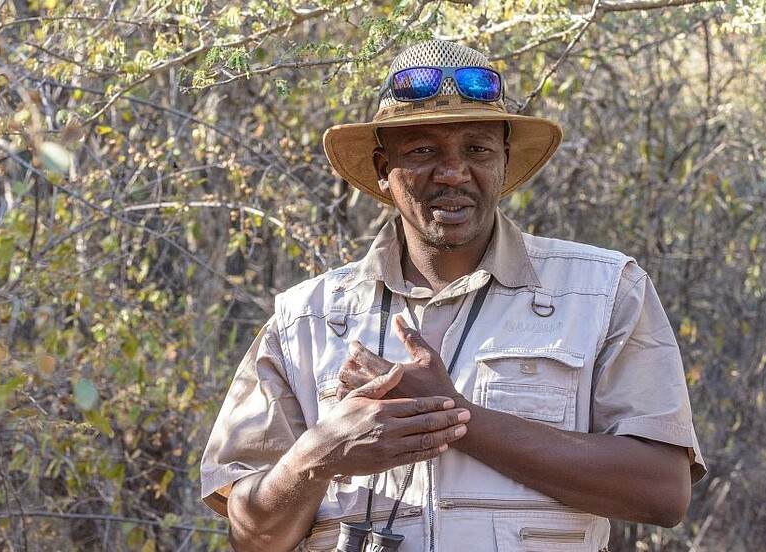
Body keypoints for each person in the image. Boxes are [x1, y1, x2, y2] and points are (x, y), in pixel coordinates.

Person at [199, 39, 706, 552]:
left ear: (504, 162)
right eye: (423, 151)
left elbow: (662, 493)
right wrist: (320, 455)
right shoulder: (304, 318)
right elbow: (252, 536)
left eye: (477, 149)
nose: (453, 172)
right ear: (382, 167)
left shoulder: (602, 290)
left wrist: (451, 416)